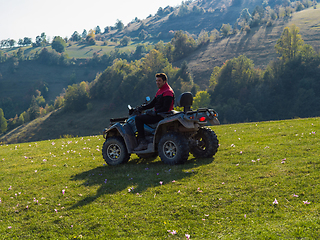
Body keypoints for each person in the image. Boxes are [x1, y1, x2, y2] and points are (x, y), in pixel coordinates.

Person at [134, 73, 175, 151]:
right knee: (143, 116)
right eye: (156, 81)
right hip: (159, 114)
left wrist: (154, 113)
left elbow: (166, 108)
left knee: (138, 118)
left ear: (165, 81)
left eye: (159, 81)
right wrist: (142, 108)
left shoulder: (168, 92)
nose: (157, 82)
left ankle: (143, 142)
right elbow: (152, 103)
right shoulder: (160, 91)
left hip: (161, 115)